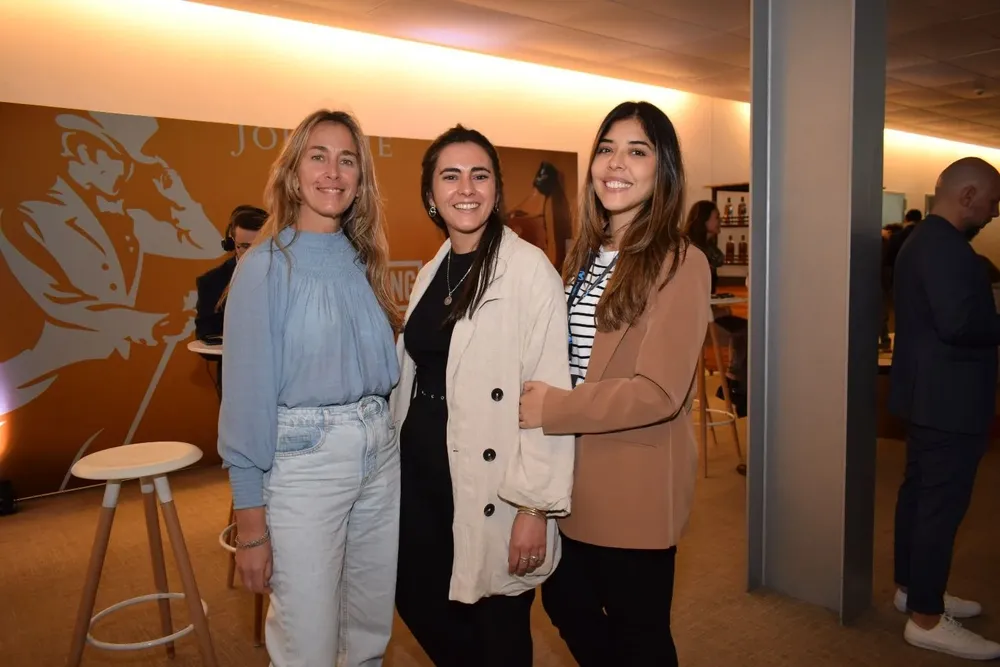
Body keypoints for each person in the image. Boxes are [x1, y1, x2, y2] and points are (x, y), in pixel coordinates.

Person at [518, 101, 710, 667]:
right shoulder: (583, 255)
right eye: (606, 149)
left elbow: (657, 391)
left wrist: (553, 408)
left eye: (637, 151)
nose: (615, 164)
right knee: (566, 604)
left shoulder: (680, 260)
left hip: (633, 483)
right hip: (572, 476)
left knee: (639, 633)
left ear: (663, 169)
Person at [217, 109, 401, 667]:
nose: (333, 172)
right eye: (317, 156)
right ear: (293, 171)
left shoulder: (362, 258)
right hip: (305, 462)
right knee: (309, 645)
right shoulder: (265, 268)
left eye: (347, 160)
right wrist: (251, 528)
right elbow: (245, 402)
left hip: (379, 451)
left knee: (367, 632)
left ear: (360, 177)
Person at [390, 125, 575, 667]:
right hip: (421, 475)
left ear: (495, 189)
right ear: (431, 194)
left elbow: (548, 393)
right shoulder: (431, 269)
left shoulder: (528, 271)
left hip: (492, 483)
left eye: (479, 175)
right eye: (450, 175)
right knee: (418, 599)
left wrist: (535, 508)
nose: (465, 188)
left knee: (497, 629)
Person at [889, 157, 1000, 660]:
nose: (995, 215)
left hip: (928, 395)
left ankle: (915, 591)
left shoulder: (924, 241)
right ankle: (927, 619)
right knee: (939, 506)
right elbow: (960, 325)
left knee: (920, 498)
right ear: (970, 195)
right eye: (994, 203)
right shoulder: (947, 249)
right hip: (948, 399)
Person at [685, 199, 748, 416]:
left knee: (745, 330)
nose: (720, 220)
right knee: (745, 331)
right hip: (695, 320)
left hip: (707, 312)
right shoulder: (693, 251)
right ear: (704, 221)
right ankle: (733, 383)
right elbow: (692, 293)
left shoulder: (710, 251)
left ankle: (734, 384)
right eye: (716, 217)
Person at [194, 204, 267, 341]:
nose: (252, 253)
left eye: (259, 245)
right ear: (231, 243)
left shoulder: (289, 277)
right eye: (245, 246)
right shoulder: (211, 282)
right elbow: (206, 334)